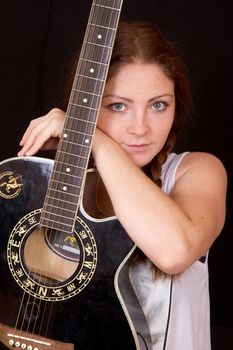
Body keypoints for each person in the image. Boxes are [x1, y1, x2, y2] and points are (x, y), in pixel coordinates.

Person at [18, 21, 227, 349]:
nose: (140, 128)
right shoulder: (47, 187)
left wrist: (96, 142)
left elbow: (175, 251)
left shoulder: (197, 171)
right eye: (118, 106)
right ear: (85, 107)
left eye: (158, 105)